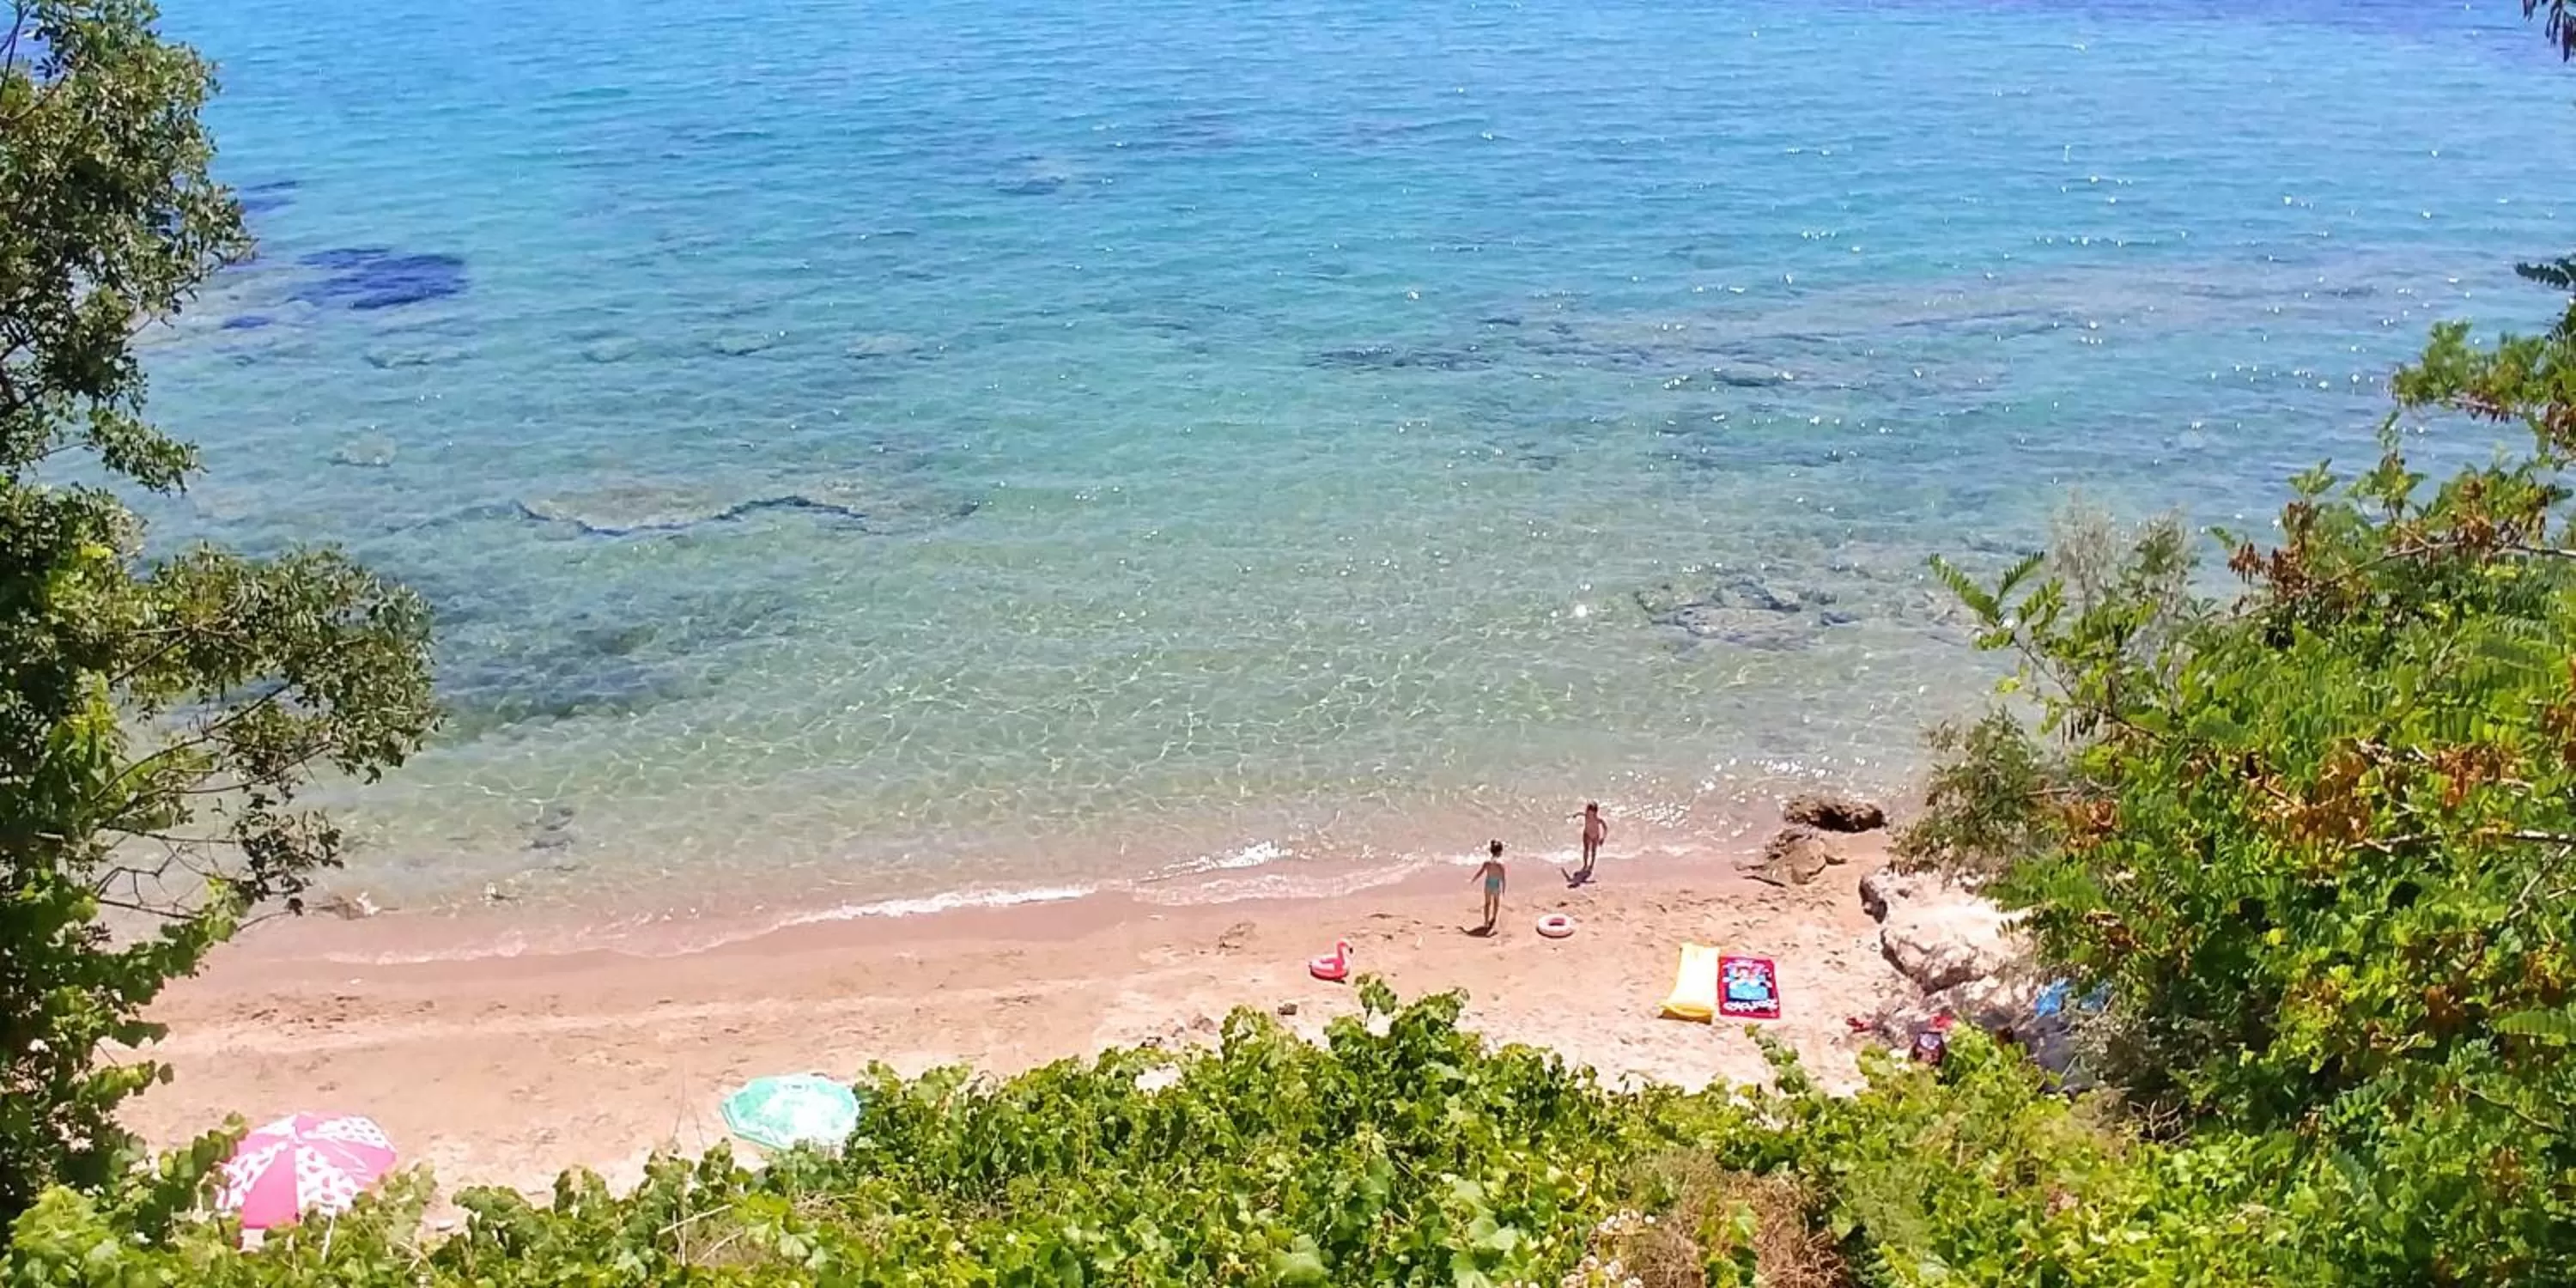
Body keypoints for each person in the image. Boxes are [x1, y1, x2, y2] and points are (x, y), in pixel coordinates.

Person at [1564, 802, 1609, 886]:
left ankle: (1591, 865)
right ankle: (1585, 864)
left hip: (1595, 836)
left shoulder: (1598, 820)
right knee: (1586, 850)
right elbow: (1581, 814)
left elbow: (1605, 828)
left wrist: (1603, 838)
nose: (1588, 813)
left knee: (1593, 851)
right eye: (1587, 811)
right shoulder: (1586, 816)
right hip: (1587, 834)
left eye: (1590, 811)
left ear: (1595, 812)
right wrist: (1575, 815)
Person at [1473, 840, 1506, 935]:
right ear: (1500, 852)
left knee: (1487, 903)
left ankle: (1486, 922)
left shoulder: (1487, 862)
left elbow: (1480, 872)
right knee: (1496, 903)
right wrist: (1504, 889)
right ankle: (1494, 919)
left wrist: (1473, 880)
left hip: (1488, 884)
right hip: (1496, 885)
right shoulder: (1500, 864)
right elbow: (1503, 878)